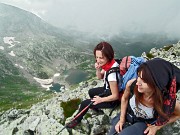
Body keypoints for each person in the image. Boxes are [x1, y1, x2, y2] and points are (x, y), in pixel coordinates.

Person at [109, 58, 180, 135]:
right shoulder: (132, 84)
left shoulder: (165, 100)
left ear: (156, 84)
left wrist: (156, 127)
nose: (138, 83)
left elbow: (178, 114)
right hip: (127, 114)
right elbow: (125, 98)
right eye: (138, 76)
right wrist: (122, 119)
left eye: (144, 81)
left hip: (143, 123)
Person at [67, 41, 121, 128]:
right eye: (97, 57)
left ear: (108, 56)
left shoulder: (112, 75)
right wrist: (98, 69)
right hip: (107, 90)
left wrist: (101, 100)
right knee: (91, 92)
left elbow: (115, 96)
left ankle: (76, 120)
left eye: (101, 58)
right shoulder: (110, 64)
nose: (98, 60)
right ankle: (97, 107)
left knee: (85, 104)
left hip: (112, 100)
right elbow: (100, 77)